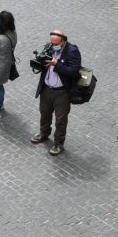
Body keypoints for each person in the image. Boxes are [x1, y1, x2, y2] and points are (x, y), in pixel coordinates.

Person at [31, 28, 82, 156]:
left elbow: (74, 72)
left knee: (60, 119)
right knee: (44, 113)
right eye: (52, 44)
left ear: (63, 41)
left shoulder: (72, 51)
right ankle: (44, 133)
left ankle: (58, 143)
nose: (54, 46)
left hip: (62, 92)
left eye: (56, 44)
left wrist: (56, 64)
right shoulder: (49, 47)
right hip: (47, 89)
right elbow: (43, 64)